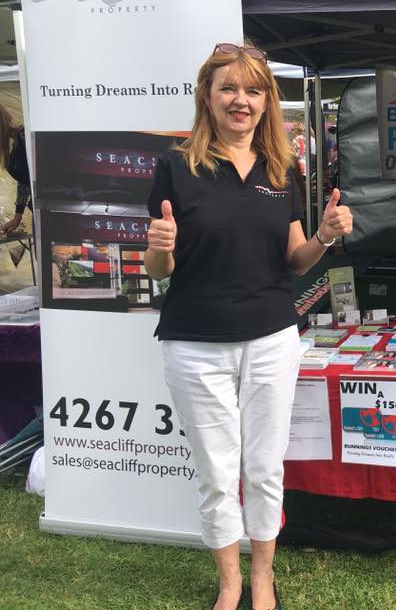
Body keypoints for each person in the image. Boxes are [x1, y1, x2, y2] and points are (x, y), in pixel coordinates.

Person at [145, 42, 353, 610]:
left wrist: (327, 234)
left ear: (267, 102)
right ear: (207, 98)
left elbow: (295, 260)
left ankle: (262, 576)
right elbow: (161, 270)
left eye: (253, 90)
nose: (242, 100)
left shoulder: (281, 170)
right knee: (217, 472)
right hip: (195, 343)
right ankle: (230, 581)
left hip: (270, 339)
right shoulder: (175, 167)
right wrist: (158, 249)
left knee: (263, 467)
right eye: (229, 88)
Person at [0, 104, 31, 236]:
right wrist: (18, 215)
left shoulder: (26, 137)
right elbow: (25, 180)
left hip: (51, 208)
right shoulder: (16, 146)